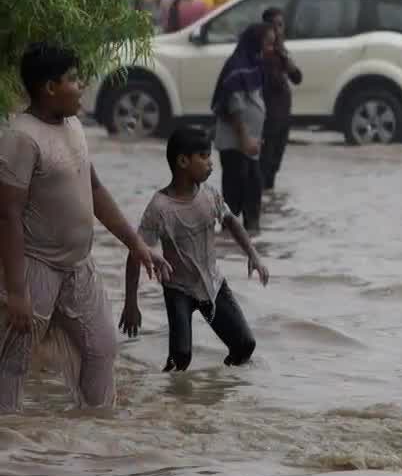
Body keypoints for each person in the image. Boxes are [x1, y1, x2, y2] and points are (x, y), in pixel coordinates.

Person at [1, 44, 171, 413]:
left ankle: (94, 440)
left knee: (102, 347)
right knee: (13, 361)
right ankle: (11, 449)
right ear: (49, 88)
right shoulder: (21, 137)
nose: (82, 86)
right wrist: (16, 292)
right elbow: (8, 216)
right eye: (74, 80)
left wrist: (136, 244)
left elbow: (93, 189)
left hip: (79, 265)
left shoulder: (74, 126)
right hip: (36, 265)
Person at [120, 127, 267, 371]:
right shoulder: (160, 207)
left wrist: (253, 254)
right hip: (179, 291)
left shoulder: (209, 195)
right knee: (181, 359)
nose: (211, 163)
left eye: (210, 157)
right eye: (204, 157)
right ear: (183, 161)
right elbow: (136, 253)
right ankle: (168, 399)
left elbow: (231, 222)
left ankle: (221, 389)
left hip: (212, 286)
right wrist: (131, 303)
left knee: (244, 346)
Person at [212, 24, 270, 233]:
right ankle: (232, 236)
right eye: (267, 43)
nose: (270, 47)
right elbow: (234, 105)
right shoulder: (237, 66)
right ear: (255, 43)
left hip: (249, 142)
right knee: (237, 190)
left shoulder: (254, 65)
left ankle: (248, 235)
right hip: (235, 142)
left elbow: (254, 102)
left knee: (253, 187)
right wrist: (245, 138)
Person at [259, 9, 302, 192]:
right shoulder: (261, 54)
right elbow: (272, 83)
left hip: (283, 116)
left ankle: (270, 205)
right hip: (268, 118)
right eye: (276, 25)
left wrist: (285, 58)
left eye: (281, 25)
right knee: (265, 165)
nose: (280, 30)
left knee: (275, 165)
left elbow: (297, 78)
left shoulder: (282, 53)